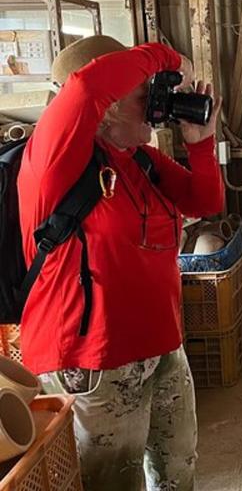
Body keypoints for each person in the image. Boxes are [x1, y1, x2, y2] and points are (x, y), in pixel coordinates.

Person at [17, 35, 224, 490]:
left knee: (177, 469)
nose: (156, 108)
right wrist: (170, 58)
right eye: (144, 95)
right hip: (94, 360)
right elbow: (86, 87)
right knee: (113, 481)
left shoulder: (139, 160)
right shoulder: (55, 161)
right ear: (106, 106)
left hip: (161, 346)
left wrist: (201, 145)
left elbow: (205, 202)